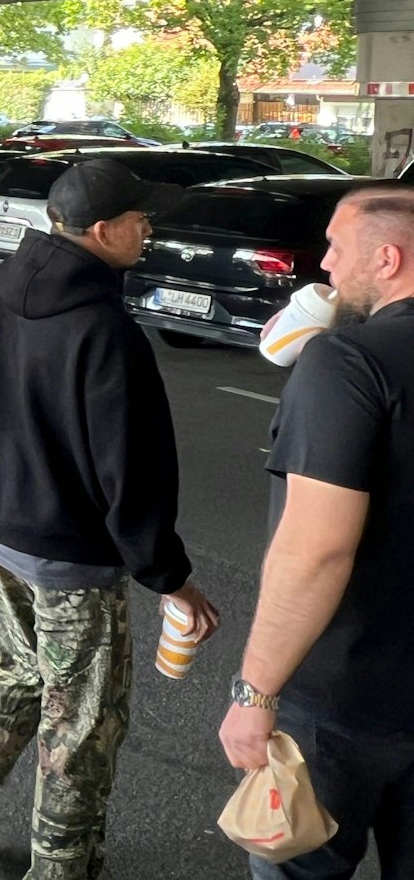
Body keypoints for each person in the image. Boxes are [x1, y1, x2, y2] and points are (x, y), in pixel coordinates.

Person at [0, 158, 220, 876]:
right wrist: (170, 578)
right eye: (142, 220)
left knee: (17, 670)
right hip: (74, 560)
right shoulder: (105, 329)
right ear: (105, 230)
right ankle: (63, 868)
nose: (150, 230)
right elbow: (132, 475)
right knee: (81, 720)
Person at [219, 183, 414, 879]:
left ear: (386, 259)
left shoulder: (347, 363)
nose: (325, 266)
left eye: (335, 247)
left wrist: (255, 694)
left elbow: (316, 549)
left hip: (343, 698)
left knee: (298, 865)